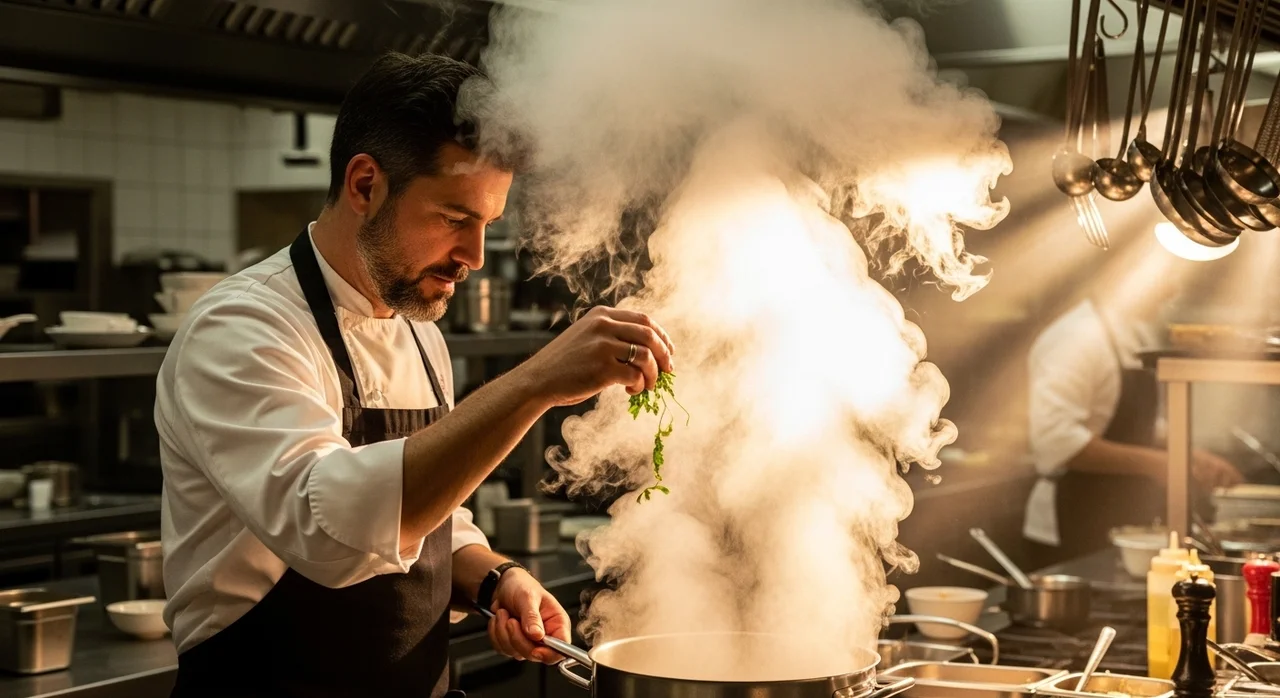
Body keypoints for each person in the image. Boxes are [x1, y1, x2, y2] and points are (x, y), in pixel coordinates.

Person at [157, 53, 674, 697]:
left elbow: (429, 523)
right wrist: (535, 382)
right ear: (366, 185)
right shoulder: (241, 327)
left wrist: (493, 577)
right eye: (456, 219)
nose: (475, 258)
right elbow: (330, 533)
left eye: (487, 225)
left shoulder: (419, 333)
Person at [1021, 230, 1243, 561]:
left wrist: (1189, 453)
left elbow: (1134, 423)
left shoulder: (1132, 332)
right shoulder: (1076, 338)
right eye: (1167, 279)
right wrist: (1159, 464)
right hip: (1070, 522)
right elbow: (1059, 444)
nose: (1173, 291)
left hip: (1119, 516)